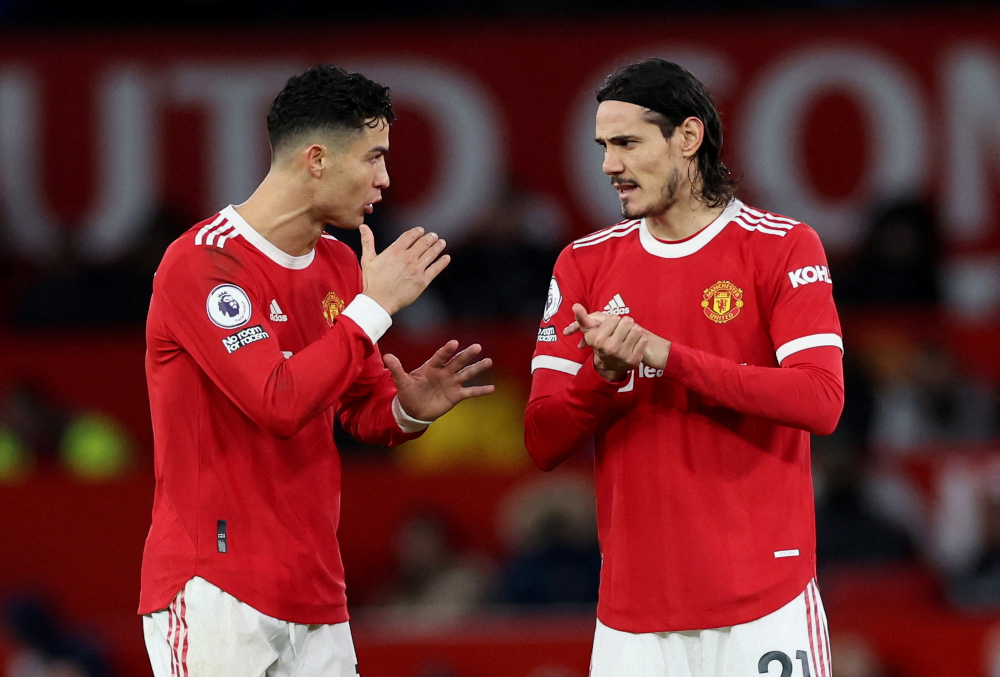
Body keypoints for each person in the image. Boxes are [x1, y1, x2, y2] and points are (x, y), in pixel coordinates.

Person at [139, 64, 494, 677]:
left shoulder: (339, 264)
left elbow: (360, 408)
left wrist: (410, 408)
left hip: (316, 593)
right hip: (217, 587)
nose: (385, 178)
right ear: (316, 159)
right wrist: (374, 308)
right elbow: (277, 402)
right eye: (373, 157)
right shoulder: (203, 263)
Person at [524, 59, 845, 677]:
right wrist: (605, 375)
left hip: (764, 603)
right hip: (632, 620)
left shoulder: (781, 245)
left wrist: (666, 355)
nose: (608, 166)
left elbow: (820, 400)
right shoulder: (583, 264)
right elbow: (542, 439)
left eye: (626, 144)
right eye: (603, 146)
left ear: (689, 139)